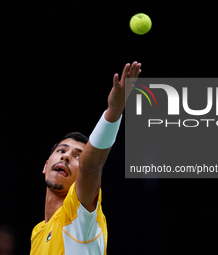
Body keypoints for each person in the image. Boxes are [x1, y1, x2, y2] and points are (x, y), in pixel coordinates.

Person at [29, 61, 142, 255]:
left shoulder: (79, 215)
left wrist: (113, 112)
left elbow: (90, 166)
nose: (65, 157)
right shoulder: (38, 231)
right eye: (62, 150)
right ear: (46, 165)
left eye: (76, 156)